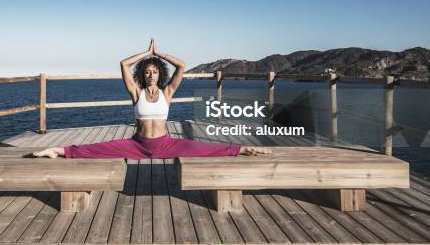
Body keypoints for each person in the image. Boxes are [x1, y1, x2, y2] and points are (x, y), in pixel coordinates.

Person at [33, 39, 272, 158]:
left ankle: (242, 149)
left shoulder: (167, 92)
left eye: (155, 70)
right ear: (142, 74)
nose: (151, 74)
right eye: (147, 71)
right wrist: (147, 53)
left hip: (166, 143)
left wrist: (159, 54)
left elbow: (181, 66)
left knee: (205, 148)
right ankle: (58, 150)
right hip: (137, 144)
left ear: (160, 73)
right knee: (98, 148)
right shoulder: (135, 92)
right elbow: (123, 64)